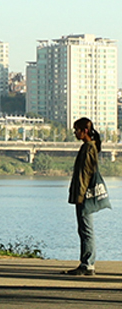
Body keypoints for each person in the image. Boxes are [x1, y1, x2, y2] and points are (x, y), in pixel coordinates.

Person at [65, 117, 101, 276]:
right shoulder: (87, 147)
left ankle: (88, 264)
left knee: (86, 229)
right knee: (84, 229)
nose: (75, 133)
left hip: (84, 195)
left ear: (84, 131)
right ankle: (86, 262)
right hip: (82, 194)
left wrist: (81, 195)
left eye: (76, 130)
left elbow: (85, 174)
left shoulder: (88, 148)